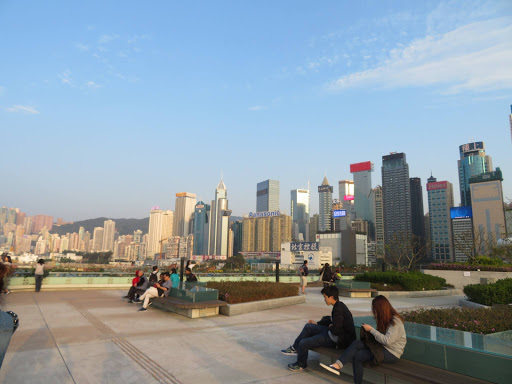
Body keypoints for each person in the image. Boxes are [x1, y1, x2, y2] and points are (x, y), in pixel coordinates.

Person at [320, 295, 407, 384]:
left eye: (375, 309)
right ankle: (337, 365)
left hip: (392, 353)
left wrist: (371, 330)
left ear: (381, 309)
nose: (374, 312)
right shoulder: (385, 319)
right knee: (357, 344)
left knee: (358, 356)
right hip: (382, 348)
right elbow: (381, 337)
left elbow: (388, 341)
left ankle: (339, 367)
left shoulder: (396, 322)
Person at [281, 285, 356, 372]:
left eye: (325, 297)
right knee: (308, 326)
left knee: (304, 343)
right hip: (332, 334)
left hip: (337, 340)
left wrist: (330, 326)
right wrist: (318, 323)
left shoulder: (338, 309)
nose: (324, 299)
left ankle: (301, 364)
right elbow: (331, 320)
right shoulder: (338, 305)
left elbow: (336, 330)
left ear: (331, 297)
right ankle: (295, 348)